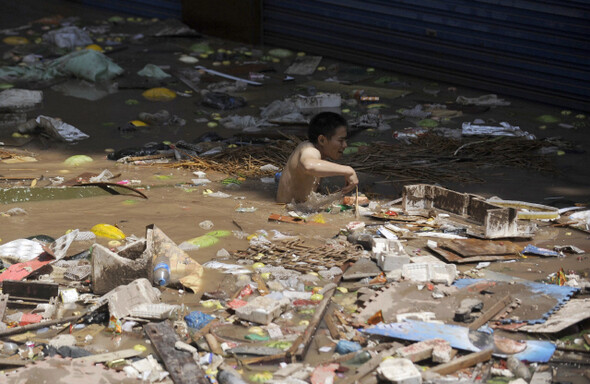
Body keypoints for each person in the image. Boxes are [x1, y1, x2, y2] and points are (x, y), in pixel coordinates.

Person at [276, 112, 359, 203]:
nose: (345, 145)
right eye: (341, 140)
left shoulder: (320, 154)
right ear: (322, 140)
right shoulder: (309, 149)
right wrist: (348, 170)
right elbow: (309, 166)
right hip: (286, 213)